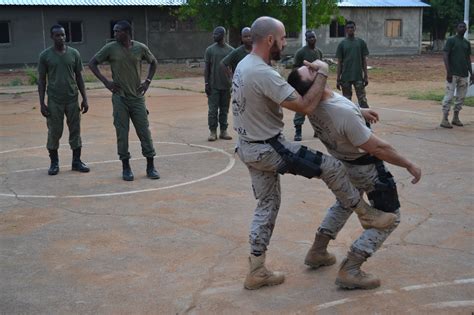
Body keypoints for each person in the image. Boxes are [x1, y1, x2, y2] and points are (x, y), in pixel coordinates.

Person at [232, 16, 397, 290]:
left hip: (249, 146)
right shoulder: (262, 72)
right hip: (268, 146)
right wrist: (322, 72)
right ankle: (365, 213)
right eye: (283, 38)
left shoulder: (244, 64)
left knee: (267, 205)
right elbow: (307, 106)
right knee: (331, 167)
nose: (285, 44)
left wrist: (356, 110)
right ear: (270, 40)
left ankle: (257, 269)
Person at [287, 64, 422, 290]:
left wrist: (360, 112)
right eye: (310, 71)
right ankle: (351, 268)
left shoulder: (315, 105)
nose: (314, 66)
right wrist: (408, 164)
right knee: (390, 217)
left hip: (344, 162)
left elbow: (339, 110)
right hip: (366, 168)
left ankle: (318, 251)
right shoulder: (341, 114)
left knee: (344, 203)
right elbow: (378, 148)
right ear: (314, 87)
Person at [89, 20, 160, 181]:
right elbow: (92, 63)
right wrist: (106, 82)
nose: (114, 34)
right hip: (120, 98)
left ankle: (151, 166)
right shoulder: (110, 48)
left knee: (144, 132)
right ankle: (126, 167)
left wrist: (147, 81)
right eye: (114, 31)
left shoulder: (140, 48)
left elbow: (154, 62)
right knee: (122, 133)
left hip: (137, 98)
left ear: (127, 32)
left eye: (117, 31)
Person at [38, 24, 90, 176]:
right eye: (57, 35)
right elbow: (41, 81)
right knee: (55, 131)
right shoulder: (45, 56)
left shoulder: (74, 53)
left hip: (72, 99)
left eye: (62, 35)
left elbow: (79, 77)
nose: (60, 37)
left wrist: (85, 98)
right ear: (51, 37)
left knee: (75, 130)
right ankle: (54, 163)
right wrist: (42, 103)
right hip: (54, 100)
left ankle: (76, 162)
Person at [440, 21, 473, 128]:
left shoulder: (466, 43)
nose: (463, 28)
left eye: (464, 27)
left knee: (461, 97)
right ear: (456, 28)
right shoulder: (451, 40)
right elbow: (445, 55)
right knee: (449, 96)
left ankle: (456, 117)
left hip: (464, 74)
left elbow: (468, 58)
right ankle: (444, 119)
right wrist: (448, 72)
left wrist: (471, 73)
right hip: (453, 74)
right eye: (460, 27)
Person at [292, 30, 323, 141]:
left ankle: (317, 130)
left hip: (316, 84)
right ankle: (298, 131)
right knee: (301, 107)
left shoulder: (319, 52)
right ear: (306, 40)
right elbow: (295, 67)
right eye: (309, 38)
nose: (312, 39)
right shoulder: (301, 52)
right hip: (304, 84)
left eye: (313, 37)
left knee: (317, 108)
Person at [204, 26, 234, 141]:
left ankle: (223, 131)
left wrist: (233, 83)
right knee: (212, 110)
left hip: (226, 86)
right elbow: (207, 68)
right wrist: (206, 83)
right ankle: (212, 132)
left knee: (224, 109)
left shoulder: (231, 50)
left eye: (216, 34)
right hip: (213, 85)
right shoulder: (210, 50)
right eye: (213, 34)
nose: (213, 36)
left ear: (223, 35)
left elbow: (234, 69)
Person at [336, 21, 370, 109]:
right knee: (346, 101)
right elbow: (339, 62)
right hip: (345, 78)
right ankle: (348, 121)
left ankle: (366, 121)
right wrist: (338, 79)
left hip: (358, 76)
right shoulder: (342, 44)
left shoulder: (361, 43)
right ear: (346, 30)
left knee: (362, 100)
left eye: (352, 27)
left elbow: (364, 60)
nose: (350, 29)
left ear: (355, 28)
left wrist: (366, 76)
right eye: (348, 28)